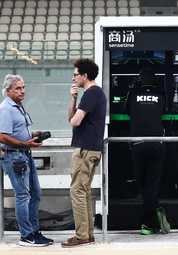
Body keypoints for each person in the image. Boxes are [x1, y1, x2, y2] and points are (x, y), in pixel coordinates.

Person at [0, 74, 53, 246]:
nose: (22, 91)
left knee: (35, 193)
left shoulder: (18, 106)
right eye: (18, 88)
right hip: (14, 156)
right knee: (22, 195)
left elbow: (15, 130)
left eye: (23, 87)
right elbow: (2, 136)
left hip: (24, 154)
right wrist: (24, 142)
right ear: (8, 91)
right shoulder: (6, 109)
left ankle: (34, 231)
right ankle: (26, 235)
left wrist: (31, 135)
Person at [61, 58, 107, 248]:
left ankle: (82, 236)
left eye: (75, 75)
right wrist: (73, 99)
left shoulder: (91, 93)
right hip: (91, 148)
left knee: (77, 191)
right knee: (84, 192)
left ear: (84, 76)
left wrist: (77, 102)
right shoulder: (94, 93)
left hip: (85, 150)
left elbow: (74, 122)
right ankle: (87, 234)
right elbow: (71, 117)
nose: (73, 79)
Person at [125, 67, 170, 235]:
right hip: (158, 143)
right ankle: (152, 213)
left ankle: (147, 221)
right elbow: (164, 112)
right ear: (155, 80)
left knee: (142, 182)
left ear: (140, 79)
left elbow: (127, 112)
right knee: (153, 183)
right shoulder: (162, 95)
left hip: (139, 144)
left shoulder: (132, 94)